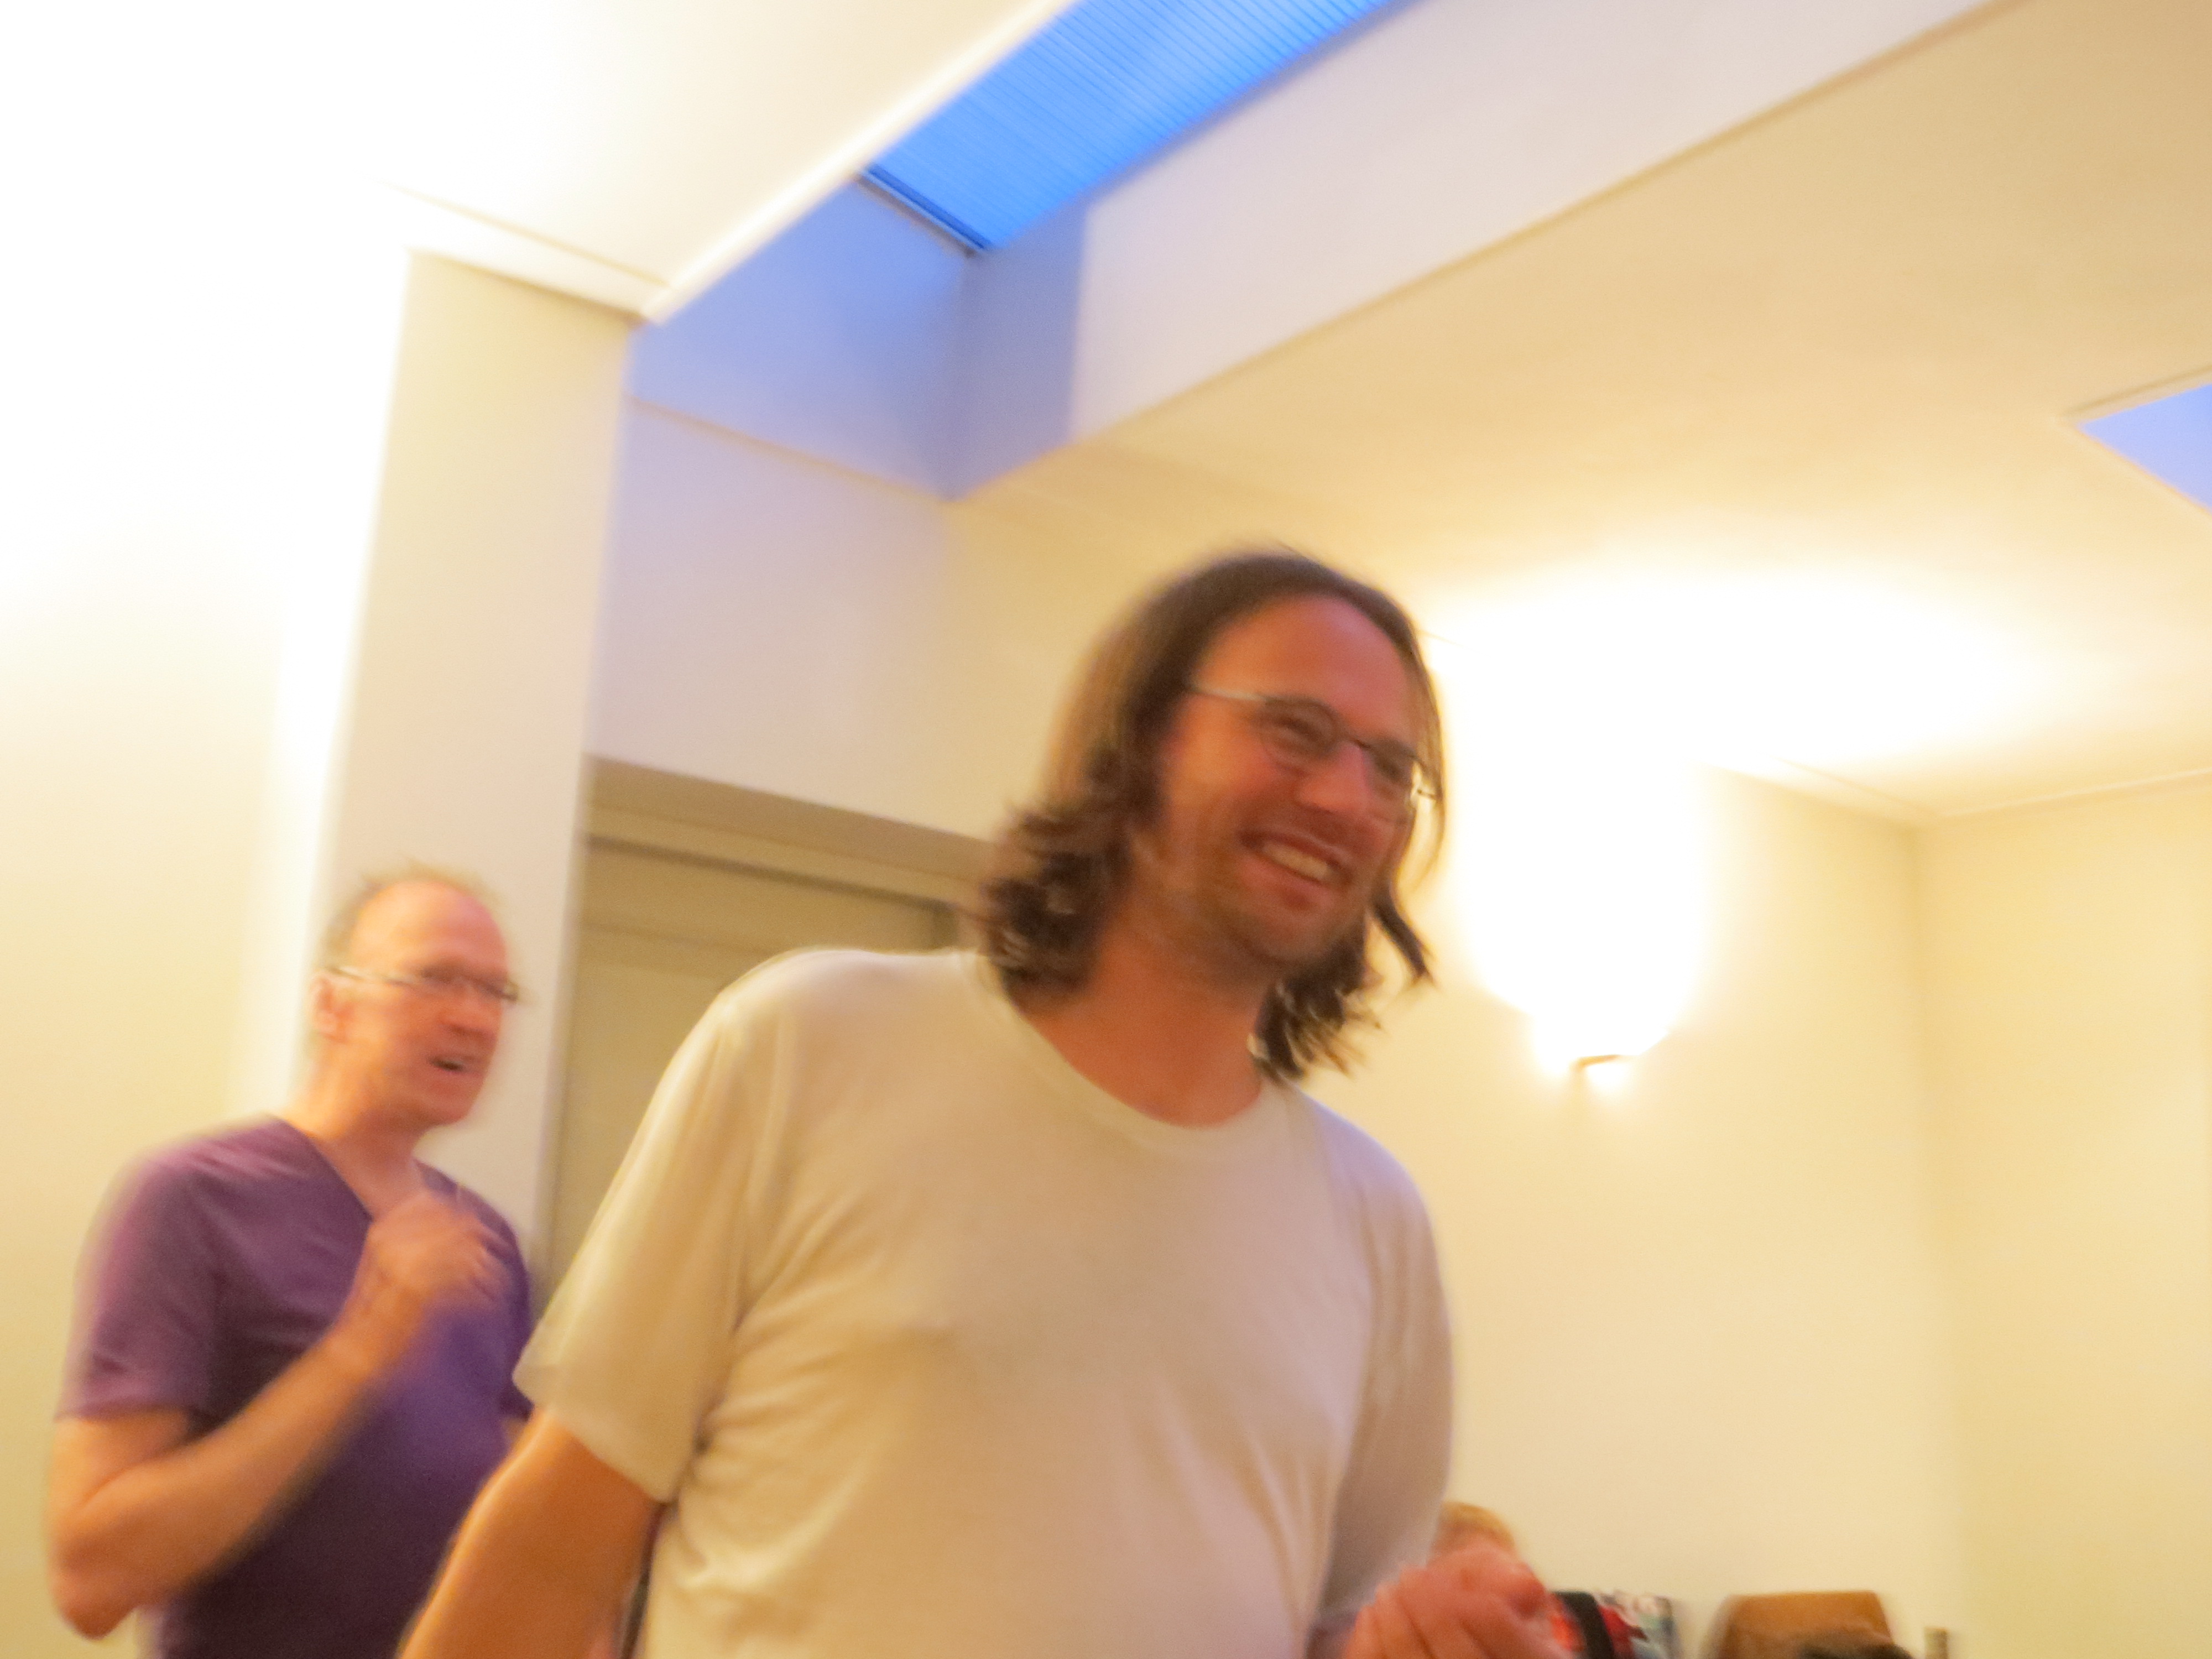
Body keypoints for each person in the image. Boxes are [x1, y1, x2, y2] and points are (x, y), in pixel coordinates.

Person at [403, 550, 1562, 1659]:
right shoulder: (813, 1043)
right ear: (1142, 738)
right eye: (1294, 731)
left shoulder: (1374, 1224)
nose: (1345, 796)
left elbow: (1338, 1626)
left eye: (1388, 770)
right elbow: (556, 1548)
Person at [48, 869, 535, 1658]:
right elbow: (91, 1579)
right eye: (433, 979)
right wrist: (358, 1353)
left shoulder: (489, 1241)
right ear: (331, 1005)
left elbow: (526, 1529)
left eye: (495, 992)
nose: (474, 1018)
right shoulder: (193, 1201)